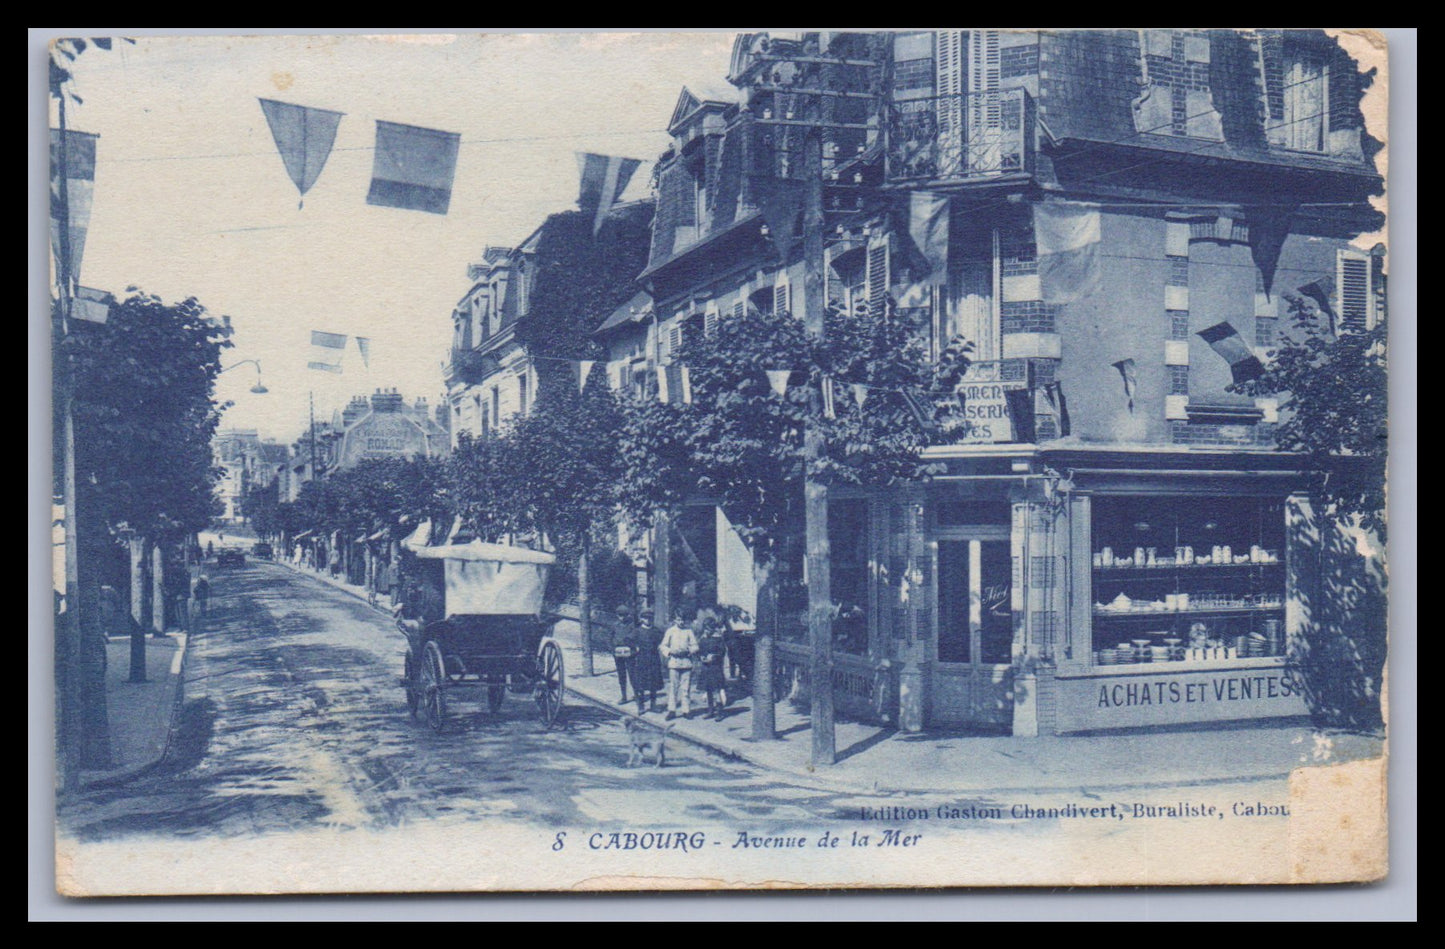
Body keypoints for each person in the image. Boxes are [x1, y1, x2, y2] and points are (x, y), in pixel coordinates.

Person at [659, 608, 700, 720]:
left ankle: (686, 710)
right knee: (673, 687)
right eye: (678, 619)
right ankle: (672, 710)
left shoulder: (688, 631)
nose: (681, 622)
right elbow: (663, 646)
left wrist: (689, 650)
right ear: (675, 620)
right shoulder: (670, 631)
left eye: (683, 620)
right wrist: (670, 652)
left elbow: (695, 645)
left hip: (686, 662)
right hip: (674, 662)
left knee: (686, 688)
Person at [630, 614, 664, 715]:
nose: (648, 620)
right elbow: (628, 640)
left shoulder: (656, 631)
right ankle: (641, 706)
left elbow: (664, 640)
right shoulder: (637, 631)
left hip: (654, 659)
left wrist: (660, 645)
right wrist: (635, 647)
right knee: (641, 683)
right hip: (642, 659)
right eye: (645, 618)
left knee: (654, 683)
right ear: (641, 619)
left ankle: (653, 705)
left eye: (650, 618)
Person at [696, 612, 728, 719]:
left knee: (717, 689)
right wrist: (701, 657)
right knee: (708, 689)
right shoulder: (703, 639)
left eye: (708, 629)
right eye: (705, 629)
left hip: (715, 668)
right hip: (706, 667)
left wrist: (714, 656)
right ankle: (710, 710)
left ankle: (719, 712)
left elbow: (722, 652)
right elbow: (699, 651)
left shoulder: (718, 639)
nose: (706, 631)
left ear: (713, 629)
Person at [611, 606, 637, 704]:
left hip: (629, 652)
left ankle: (637, 695)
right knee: (621, 675)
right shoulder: (614, 625)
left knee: (632, 674)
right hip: (618, 652)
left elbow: (635, 638)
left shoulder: (632, 625)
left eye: (624, 615)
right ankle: (624, 696)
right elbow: (609, 637)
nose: (622, 617)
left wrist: (633, 650)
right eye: (620, 615)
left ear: (627, 615)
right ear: (617, 615)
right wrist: (612, 649)